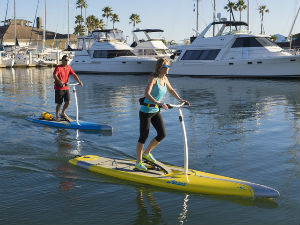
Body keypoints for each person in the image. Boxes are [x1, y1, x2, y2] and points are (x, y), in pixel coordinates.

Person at [135, 58, 190, 171]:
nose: (167, 69)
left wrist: (181, 100)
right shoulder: (153, 78)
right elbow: (147, 93)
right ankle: (138, 162)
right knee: (143, 136)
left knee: (162, 134)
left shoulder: (165, 78)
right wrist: (158, 103)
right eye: (165, 67)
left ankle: (146, 153)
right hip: (146, 111)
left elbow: (171, 90)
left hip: (155, 111)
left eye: (168, 66)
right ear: (160, 68)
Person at [53, 55, 83, 121]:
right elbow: (55, 75)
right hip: (59, 88)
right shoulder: (58, 67)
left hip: (66, 88)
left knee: (68, 102)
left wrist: (79, 81)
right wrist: (60, 82)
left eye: (67, 60)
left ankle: (63, 113)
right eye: (65, 60)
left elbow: (74, 74)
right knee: (59, 104)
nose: (67, 62)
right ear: (62, 60)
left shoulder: (68, 67)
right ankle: (57, 116)